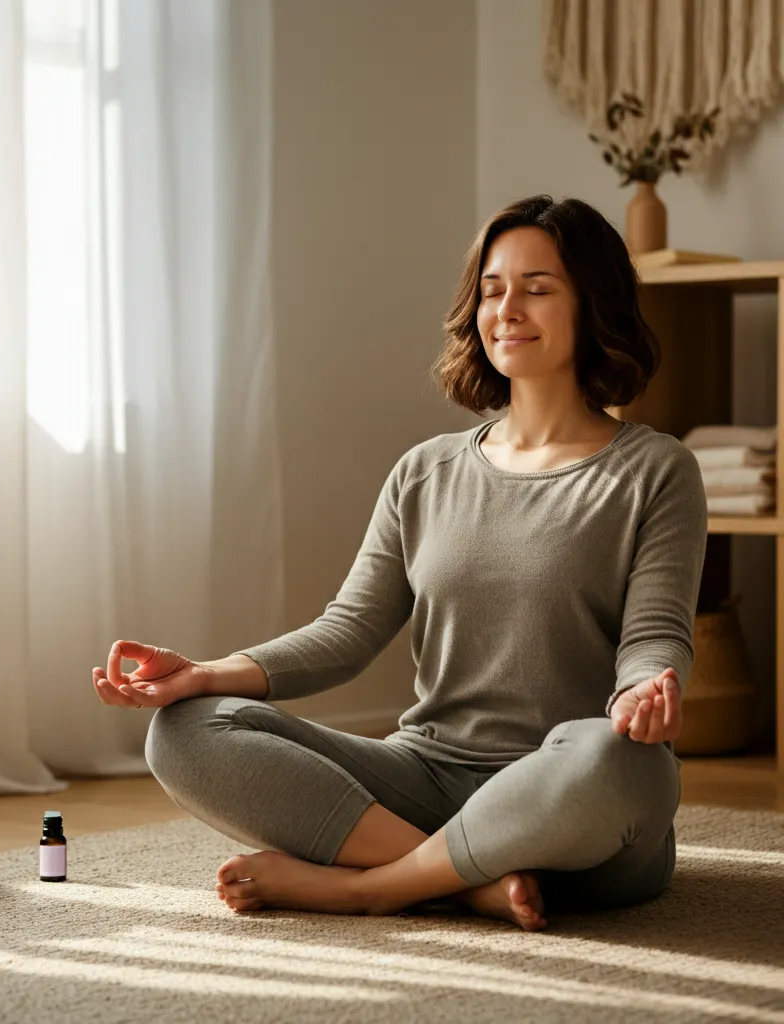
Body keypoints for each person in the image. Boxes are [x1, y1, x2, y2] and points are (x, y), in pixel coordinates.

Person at [91, 195, 708, 930]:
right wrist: (205, 674)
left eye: (537, 289)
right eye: (491, 289)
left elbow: (656, 633)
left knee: (624, 759)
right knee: (187, 729)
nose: (507, 308)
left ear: (593, 305)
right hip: (428, 777)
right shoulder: (425, 471)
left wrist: (643, 690)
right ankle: (464, 879)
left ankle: (370, 888)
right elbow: (347, 631)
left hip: (571, 793)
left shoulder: (655, 470)